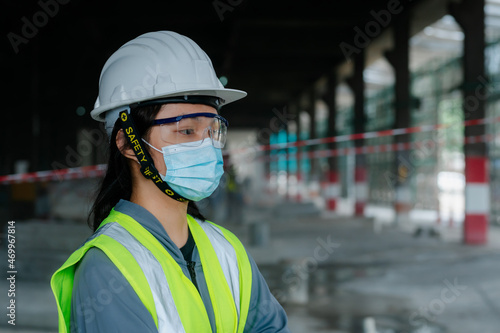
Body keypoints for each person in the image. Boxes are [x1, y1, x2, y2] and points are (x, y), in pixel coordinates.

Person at [50, 31, 290, 332]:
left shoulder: (227, 249)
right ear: (127, 143)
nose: (207, 147)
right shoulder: (108, 268)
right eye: (186, 131)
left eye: (212, 130)